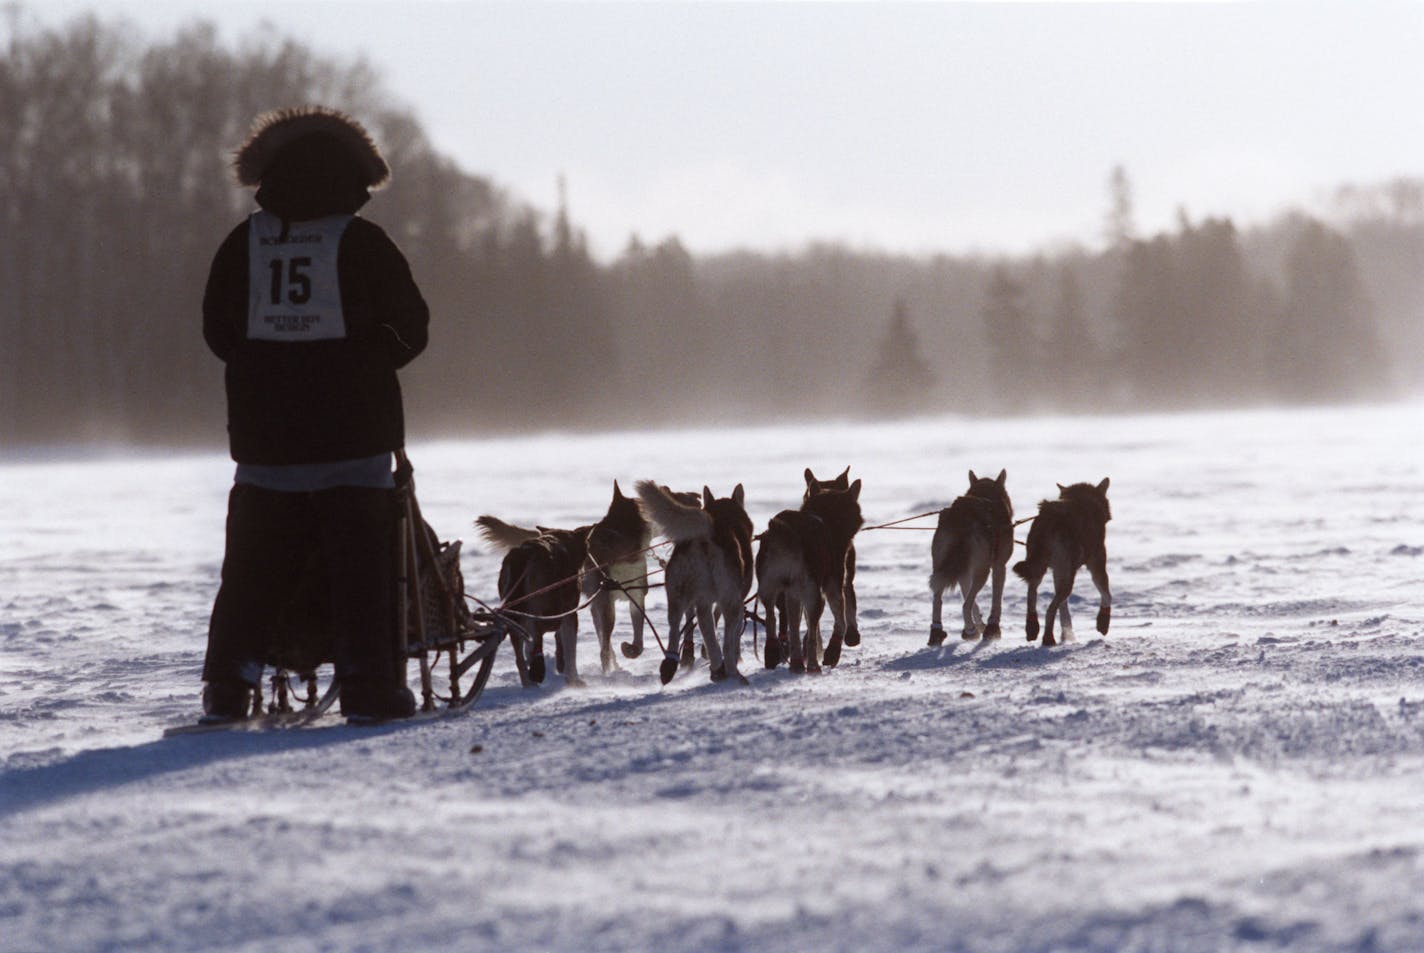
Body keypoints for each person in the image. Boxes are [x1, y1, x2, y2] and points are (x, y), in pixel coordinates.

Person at [200, 107, 429, 721]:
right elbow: (412, 330)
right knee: (362, 574)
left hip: (264, 448)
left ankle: (228, 686)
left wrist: (264, 370)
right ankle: (369, 686)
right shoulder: (362, 243)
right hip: (355, 444)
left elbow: (217, 332)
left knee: (250, 573)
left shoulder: (242, 243)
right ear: (353, 177)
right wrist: (365, 360)